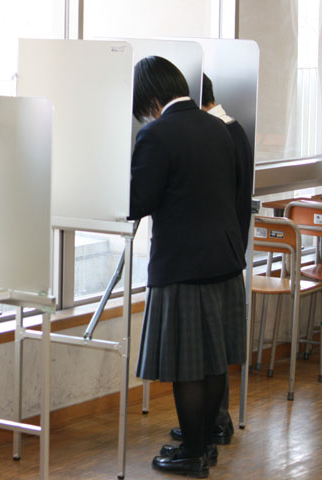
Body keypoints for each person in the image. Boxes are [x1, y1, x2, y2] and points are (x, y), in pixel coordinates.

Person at [130, 56, 246, 478]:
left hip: (183, 265)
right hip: (225, 260)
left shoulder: (156, 134)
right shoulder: (219, 127)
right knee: (214, 361)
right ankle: (205, 445)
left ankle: (192, 454)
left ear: (150, 99)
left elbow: (138, 201)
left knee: (186, 365)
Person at [168, 73, 254, 448]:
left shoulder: (222, 133)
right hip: (228, 249)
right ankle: (210, 423)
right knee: (214, 347)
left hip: (215, 253)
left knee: (210, 350)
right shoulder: (232, 130)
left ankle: (212, 423)